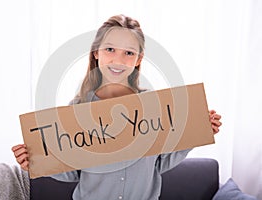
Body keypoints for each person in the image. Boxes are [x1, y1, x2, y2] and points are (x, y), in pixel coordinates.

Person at [12, 14, 222, 199]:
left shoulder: (153, 106)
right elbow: (73, 172)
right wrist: (36, 162)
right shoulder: (77, 109)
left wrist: (198, 130)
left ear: (139, 59)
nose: (118, 60)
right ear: (96, 52)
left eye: (129, 53)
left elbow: (159, 164)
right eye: (110, 49)